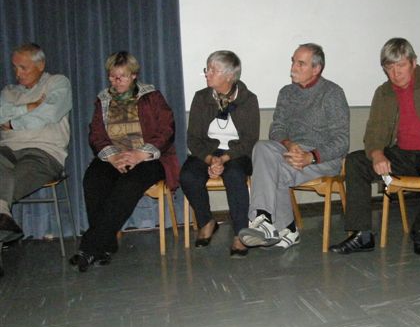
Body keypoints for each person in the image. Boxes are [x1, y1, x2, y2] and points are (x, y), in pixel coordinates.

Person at [329, 38, 420, 254]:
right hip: (402, 154)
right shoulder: (383, 92)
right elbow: (373, 131)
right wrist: (377, 154)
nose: (396, 73)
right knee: (356, 162)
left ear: (413, 62)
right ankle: (362, 235)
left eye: (401, 65)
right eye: (389, 67)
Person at [69, 51, 179, 272]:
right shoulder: (103, 100)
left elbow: (166, 130)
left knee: (128, 186)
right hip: (114, 157)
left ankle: (90, 246)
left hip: (149, 158)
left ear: (134, 76)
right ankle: (105, 245)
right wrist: (113, 157)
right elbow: (96, 135)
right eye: (112, 76)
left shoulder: (152, 97)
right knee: (93, 181)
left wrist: (140, 154)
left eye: (121, 76)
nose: (115, 81)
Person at [238, 43, 349, 249]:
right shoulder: (287, 92)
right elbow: (277, 129)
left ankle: (287, 229)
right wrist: (289, 145)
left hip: (323, 157)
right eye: (293, 61)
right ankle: (263, 220)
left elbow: (342, 141)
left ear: (316, 69)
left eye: (301, 63)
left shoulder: (332, 93)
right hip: (291, 151)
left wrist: (311, 156)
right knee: (261, 147)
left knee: (276, 169)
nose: (293, 67)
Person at [180, 50, 259, 257]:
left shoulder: (249, 100)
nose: (207, 74)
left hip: (236, 154)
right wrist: (210, 159)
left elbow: (249, 140)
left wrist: (223, 159)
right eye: (207, 69)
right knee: (188, 176)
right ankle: (206, 221)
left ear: (229, 76)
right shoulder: (200, 98)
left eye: (213, 70)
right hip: (206, 152)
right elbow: (193, 139)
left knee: (234, 175)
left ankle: (240, 233)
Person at [0, 43, 72, 235]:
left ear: (40, 65)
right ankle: (2, 218)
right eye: (15, 68)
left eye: (23, 68)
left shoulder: (57, 83)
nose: (18, 74)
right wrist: (29, 107)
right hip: (7, 149)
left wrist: (14, 123)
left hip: (44, 153)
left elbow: (51, 112)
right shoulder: (9, 92)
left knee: (8, 183)